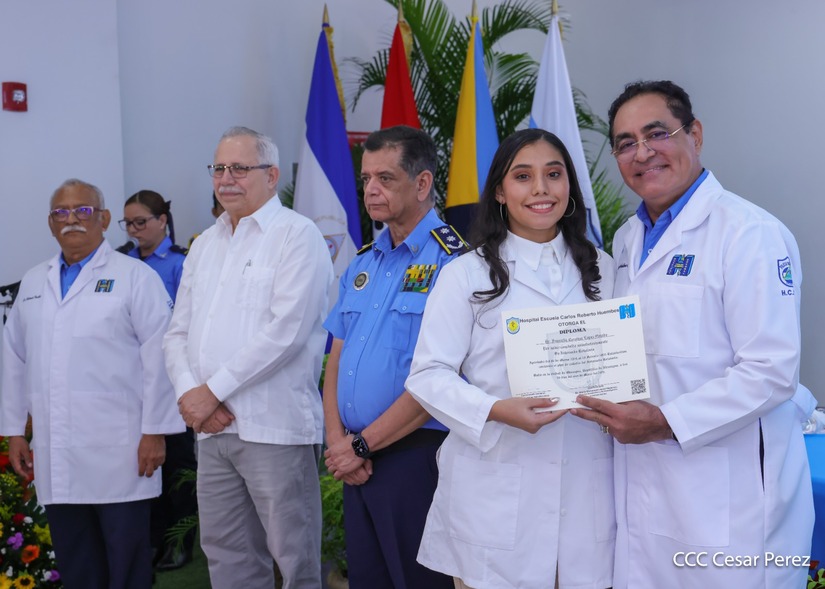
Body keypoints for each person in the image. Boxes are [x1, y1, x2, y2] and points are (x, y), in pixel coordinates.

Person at [571, 80, 814, 588]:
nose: (642, 153)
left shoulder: (749, 233)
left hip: (729, 501)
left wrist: (664, 422)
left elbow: (771, 372)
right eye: (625, 143)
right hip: (646, 490)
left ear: (695, 134)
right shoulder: (627, 238)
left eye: (656, 133)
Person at [405, 129, 616, 588]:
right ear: (500, 191)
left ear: (569, 186)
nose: (541, 189)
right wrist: (496, 410)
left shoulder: (604, 268)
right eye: (523, 176)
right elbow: (427, 374)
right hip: (494, 503)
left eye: (553, 174)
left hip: (586, 495)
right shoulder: (466, 274)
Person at [163, 126, 333, 589]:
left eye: (239, 168)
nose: (226, 178)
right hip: (213, 430)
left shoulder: (297, 236)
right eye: (219, 168)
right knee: (228, 556)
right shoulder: (205, 243)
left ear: (272, 175)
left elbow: (287, 332)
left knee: (295, 561)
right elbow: (176, 333)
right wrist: (193, 395)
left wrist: (211, 393)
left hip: (273, 427)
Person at [0, 179, 184, 589]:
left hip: (122, 453)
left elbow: (161, 356)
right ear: (50, 223)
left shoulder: (134, 277)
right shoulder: (34, 282)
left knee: (127, 567)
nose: (72, 219)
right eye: (61, 212)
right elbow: (13, 359)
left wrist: (155, 431)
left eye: (82, 210)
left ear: (103, 219)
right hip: (57, 453)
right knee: (78, 564)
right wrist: (13, 430)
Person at [322, 126, 461, 589]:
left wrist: (361, 446)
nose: (371, 190)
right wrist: (339, 442)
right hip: (356, 459)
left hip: (413, 457)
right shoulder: (363, 263)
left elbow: (440, 379)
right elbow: (336, 359)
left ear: (422, 183)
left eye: (385, 178)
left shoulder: (455, 264)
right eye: (366, 179)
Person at [120, 189, 197, 570]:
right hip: (133, 379)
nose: (134, 230)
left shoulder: (180, 264)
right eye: (128, 224)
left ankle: (179, 541)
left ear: (162, 221)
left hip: (174, 377)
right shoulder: (123, 264)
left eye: (141, 222)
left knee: (177, 464)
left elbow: (190, 323)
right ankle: (152, 539)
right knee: (143, 464)